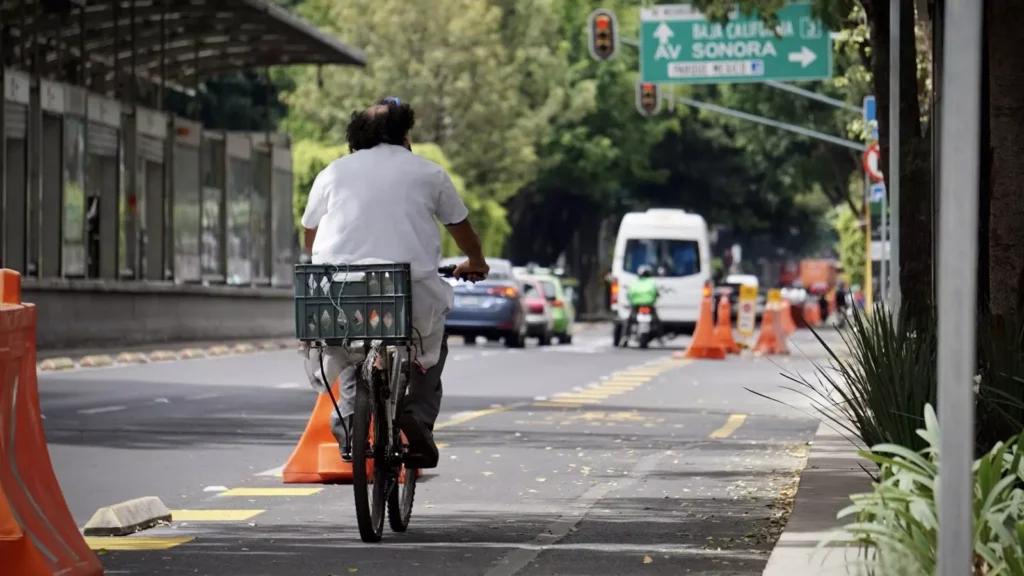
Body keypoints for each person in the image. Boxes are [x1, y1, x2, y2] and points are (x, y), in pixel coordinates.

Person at [298, 97, 489, 469]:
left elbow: (310, 234)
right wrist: (476, 262)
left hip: (340, 290)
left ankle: (350, 425)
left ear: (357, 135)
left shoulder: (333, 172)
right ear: (405, 132)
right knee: (425, 350)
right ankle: (416, 420)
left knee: (353, 352)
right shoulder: (428, 172)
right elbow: (462, 230)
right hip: (409, 288)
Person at [625, 265, 661, 337]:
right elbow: (656, 293)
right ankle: (659, 336)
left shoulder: (635, 283)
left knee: (630, 321)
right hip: (649, 304)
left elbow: (629, 294)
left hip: (636, 305)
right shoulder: (652, 282)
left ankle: (626, 336)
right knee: (656, 321)